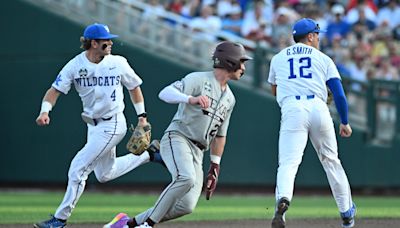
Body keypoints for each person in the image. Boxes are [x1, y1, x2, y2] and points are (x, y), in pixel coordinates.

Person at [103, 41, 252, 228]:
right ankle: (148, 225)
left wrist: (215, 166)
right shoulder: (199, 79)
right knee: (186, 178)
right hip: (178, 137)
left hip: (199, 151)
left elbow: (221, 135)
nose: (244, 67)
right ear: (230, 61)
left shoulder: (230, 98)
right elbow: (165, 93)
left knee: (186, 205)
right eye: (242, 62)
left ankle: (127, 224)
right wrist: (190, 99)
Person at [34, 23, 163, 228]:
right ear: (93, 43)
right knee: (105, 174)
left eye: (110, 39)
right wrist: (44, 111)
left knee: (78, 168)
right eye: (106, 40)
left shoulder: (118, 62)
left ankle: (60, 219)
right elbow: (54, 90)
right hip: (92, 126)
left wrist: (142, 117)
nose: (110, 43)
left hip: (112, 124)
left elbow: (134, 87)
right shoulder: (75, 65)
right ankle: (150, 154)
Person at [267, 18, 356, 228]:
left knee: (288, 164)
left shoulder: (278, 58)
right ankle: (346, 214)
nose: (318, 38)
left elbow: (274, 89)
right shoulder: (323, 58)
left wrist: (290, 100)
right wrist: (344, 121)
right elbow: (339, 95)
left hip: (291, 109)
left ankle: (283, 201)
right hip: (318, 107)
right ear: (310, 36)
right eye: (317, 34)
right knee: (332, 162)